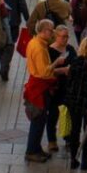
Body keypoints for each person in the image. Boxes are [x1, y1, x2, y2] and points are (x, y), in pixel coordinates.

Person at [23, 19, 58, 162]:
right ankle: (31, 151)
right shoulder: (38, 47)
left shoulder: (36, 42)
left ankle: (36, 148)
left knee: (41, 120)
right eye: (51, 30)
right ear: (43, 31)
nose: (53, 33)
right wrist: (57, 63)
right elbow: (44, 71)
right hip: (39, 87)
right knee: (38, 120)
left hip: (38, 85)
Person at [45, 24, 77, 153]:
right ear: (56, 36)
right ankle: (51, 141)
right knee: (53, 114)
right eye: (63, 37)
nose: (65, 39)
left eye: (67, 36)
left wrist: (72, 69)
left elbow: (76, 63)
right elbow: (46, 71)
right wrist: (62, 70)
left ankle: (68, 137)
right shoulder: (49, 51)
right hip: (54, 87)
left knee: (68, 112)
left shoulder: (70, 48)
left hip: (69, 86)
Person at [67, 36, 87, 169]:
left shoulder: (75, 62)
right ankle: (85, 160)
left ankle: (73, 159)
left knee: (75, 130)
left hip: (74, 101)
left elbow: (69, 81)